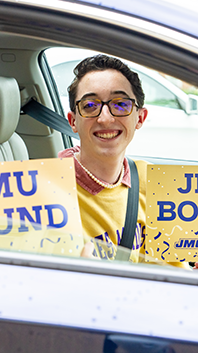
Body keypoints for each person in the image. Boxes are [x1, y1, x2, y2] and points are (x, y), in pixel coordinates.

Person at [59, 54, 189, 268]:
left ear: (140, 118)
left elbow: (181, 275)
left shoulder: (162, 183)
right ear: (73, 121)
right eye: (90, 105)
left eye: (120, 104)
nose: (105, 118)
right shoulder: (44, 189)